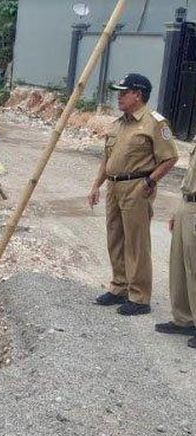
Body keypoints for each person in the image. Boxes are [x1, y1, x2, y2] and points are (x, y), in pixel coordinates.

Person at [88, 74, 178, 316]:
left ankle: (139, 296)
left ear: (138, 95)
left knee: (136, 242)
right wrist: (97, 185)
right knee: (115, 237)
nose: (119, 97)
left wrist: (150, 181)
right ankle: (119, 286)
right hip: (114, 188)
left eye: (123, 92)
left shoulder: (154, 123)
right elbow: (107, 158)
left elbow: (170, 157)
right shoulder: (119, 123)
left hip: (137, 187)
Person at [155, 146, 196, 348]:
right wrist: (177, 211)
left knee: (194, 267)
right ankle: (184, 319)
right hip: (187, 203)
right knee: (179, 264)